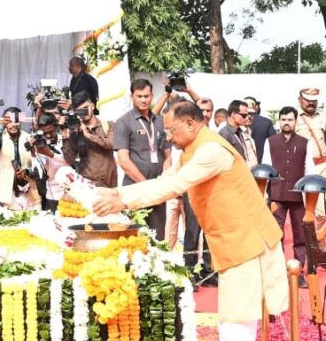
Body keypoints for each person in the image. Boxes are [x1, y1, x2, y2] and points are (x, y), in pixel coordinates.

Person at [94, 100, 287, 341]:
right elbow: (166, 179)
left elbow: (174, 186)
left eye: (170, 131)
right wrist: (117, 194)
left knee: (237, 320)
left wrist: (122, 201)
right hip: (234, 242)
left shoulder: (211, 151)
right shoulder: (192, 151)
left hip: (248, 242)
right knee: (234, 317)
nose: (169, 137)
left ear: (190, 123)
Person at [113, 78, 171, 240]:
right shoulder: (123, 123)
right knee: (134, 237)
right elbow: (124, 161)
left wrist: (163, 184)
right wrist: (147, 186)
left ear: (152, 96)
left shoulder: (161, 122)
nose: (143, 100)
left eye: (146, 96)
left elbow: (167, 155)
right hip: (135, 188)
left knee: (157, 237)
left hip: (158, 190)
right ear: (132, 97)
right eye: (139, 96)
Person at [266, 107, 308, 283]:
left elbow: (309, 169)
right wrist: (265, 195)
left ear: (295, 121)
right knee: (276, 234)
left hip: (298, 195)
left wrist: (309, 195)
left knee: (300, 234)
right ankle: (278, 272)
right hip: (277, 194)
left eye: (290, 120)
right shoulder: (271, 141)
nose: (286, 123)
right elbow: (266, 168)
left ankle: (298, 272)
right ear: (279, 121)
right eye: (283, 119)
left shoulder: (305, 142)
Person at [0, 108, 41, 210]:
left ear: (20, 121)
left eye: (15, 121)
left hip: (30, 191)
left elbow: (38, 164)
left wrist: (27, 172)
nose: (13, 125)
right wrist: (1, 126)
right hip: (9, 192)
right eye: (9, 121)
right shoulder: (0, 137)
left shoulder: (29, 138)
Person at [61, 91, 117, 188]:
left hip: (109, 183)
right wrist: (64, 134)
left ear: (92, 106)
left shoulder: (107, 125)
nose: (84, 113)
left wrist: (88, 135)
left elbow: (112, 144)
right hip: (88, 185)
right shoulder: (75, 131)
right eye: (80, 111)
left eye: (85, 108)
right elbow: (70, 159)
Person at [28, 113, 67, 211]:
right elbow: (40, 171)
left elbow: (68, 162)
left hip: (71, 192)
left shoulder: (65, 138)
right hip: (52, 195)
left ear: (56, 127)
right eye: (45, 133)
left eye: (51, 131)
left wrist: (50, 154)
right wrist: (34, 153)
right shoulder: (39, 144)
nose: (48, 135)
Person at [296, 88, 326, 167]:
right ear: (299, 99)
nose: (311, 103)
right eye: (307, 100)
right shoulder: (293, 117)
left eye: (313, 100)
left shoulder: (323, 115)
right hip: (304, 166)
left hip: (323, 165)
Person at [243, 97, 275, 162]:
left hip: (244, 165)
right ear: (256, 107)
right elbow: (273, 143)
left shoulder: (239, 122)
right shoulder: (266, 122)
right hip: (263, 163)